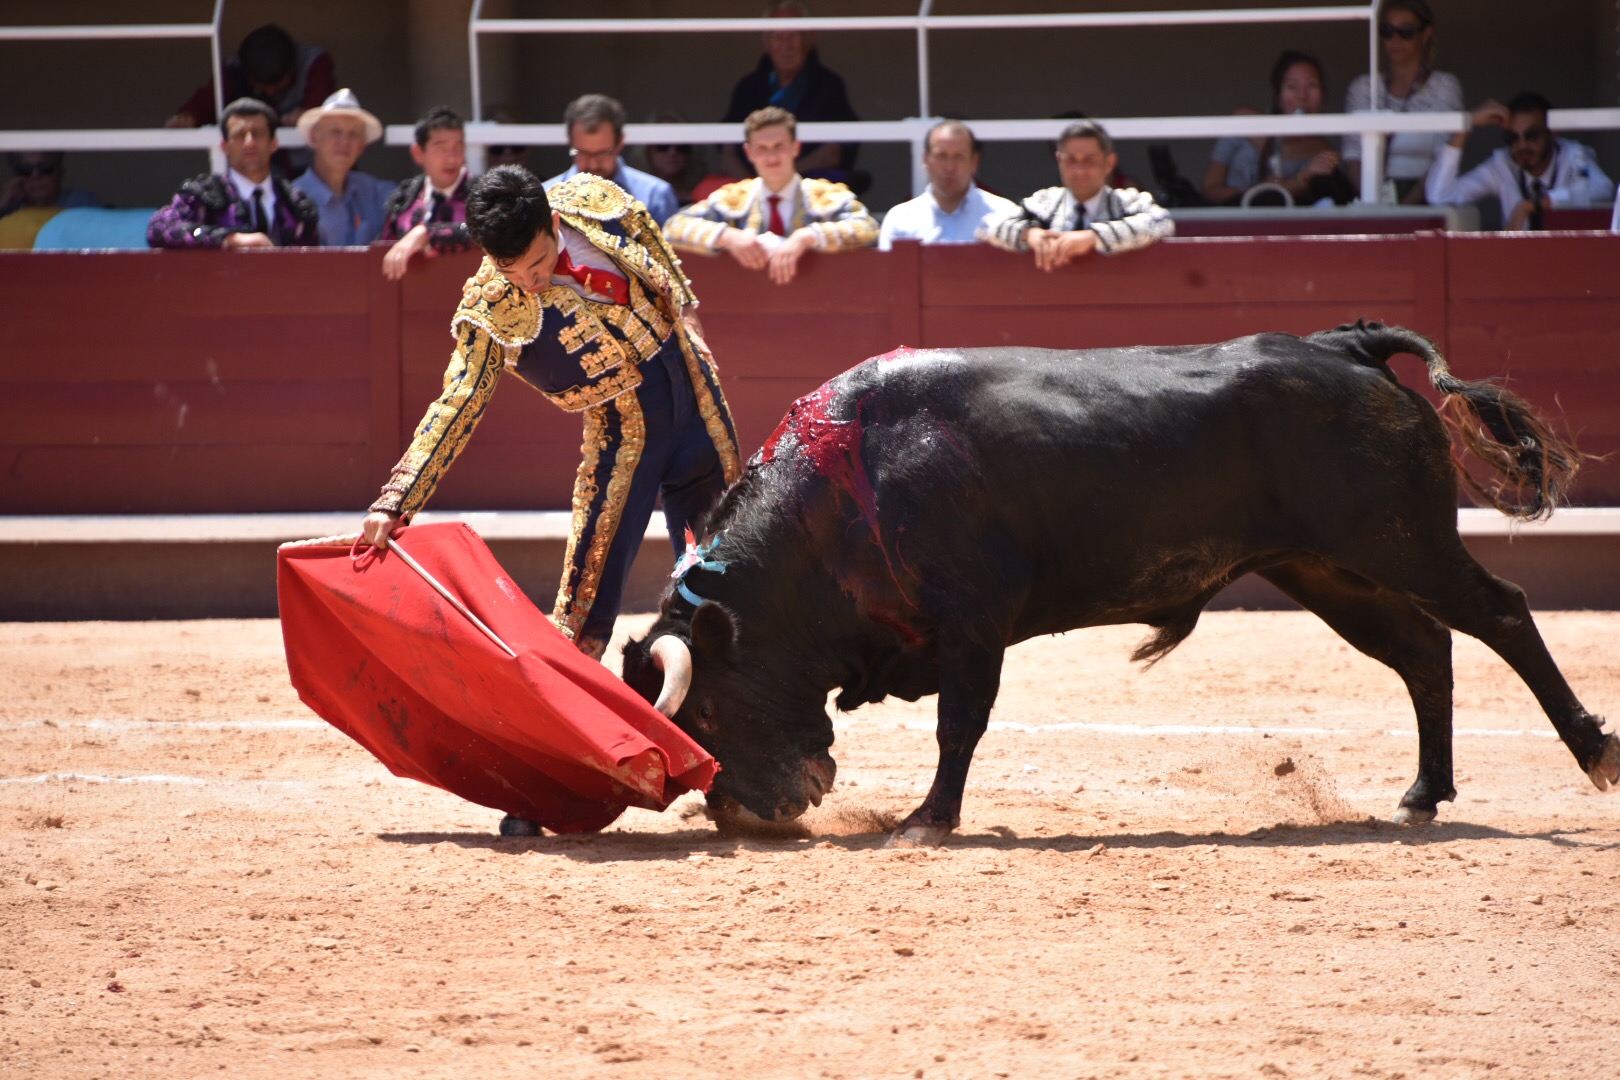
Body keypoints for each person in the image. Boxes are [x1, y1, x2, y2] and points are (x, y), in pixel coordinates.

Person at [359, 165, 742, 708]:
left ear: (554, 221)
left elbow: (652, 242)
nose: (531, 282)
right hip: (624, 436)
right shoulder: (491, 308)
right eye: (513, 272)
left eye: (539, 263)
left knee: (727, 567)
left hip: (697, 401)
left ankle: (737, 719)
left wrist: (690, 318)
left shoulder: (594, 199)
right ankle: (567, 724)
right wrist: (398, 498)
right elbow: (457, 402)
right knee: (584, 609)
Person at [664, 107, 877, 285]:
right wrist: (728, 236)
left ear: (796, 147)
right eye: (763, 148)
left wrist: (807, 237)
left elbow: (868, 227)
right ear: (749, 153)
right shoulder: (735, 198)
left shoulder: (825, 196)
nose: (772, 156)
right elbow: (674, 226)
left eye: (779, 146)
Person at [978, 120, 1173, 270]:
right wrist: (1030, 234)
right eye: (1071, 160)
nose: (1079, 170)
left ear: (1109, 163)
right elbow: (986, 225)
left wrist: (1093, 237)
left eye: (1089, 160)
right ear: (1059, 161)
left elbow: (1162, 222)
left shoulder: (1126, 202)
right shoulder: (1045, 203)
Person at [1426, 92, 1615, 231]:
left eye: (1531, 135)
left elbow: (1602, 189)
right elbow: (1439, 196)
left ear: (1553, 133)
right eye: (1512, 138)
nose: (1522, 145)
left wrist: (1536, 205)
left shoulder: (1572, 155)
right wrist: (1466, 125)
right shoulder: (1502, 164)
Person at [147, 98, 318, 249]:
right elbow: (160, 228)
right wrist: (229, 239)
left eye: (257, 134)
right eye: (240, 135)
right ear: (225, 147)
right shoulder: (203, 194)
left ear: (273, 144)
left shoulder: (295, 202)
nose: (249, 142)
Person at [717, 1, 859, 181]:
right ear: (766, 41)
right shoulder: (747, 87)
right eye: (778, 37)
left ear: (810, 38)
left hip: (808, 186)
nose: (786, 46)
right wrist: (756, 189)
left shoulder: (829, 85)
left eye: (793, 36)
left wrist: (784, 180)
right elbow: (727, 153)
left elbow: (833, 152)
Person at [1342, 0, 1462, 204]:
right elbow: (1353, 155)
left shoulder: (1444, 86)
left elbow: (1443, 160)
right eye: (1387, 30)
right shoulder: (1362, 87)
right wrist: (1374, 205)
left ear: (1426, 34)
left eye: (1405, 31)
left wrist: (1404, 210)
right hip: (1369, 200)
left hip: (1424, 200)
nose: (1395, 39)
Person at [1203, 52, 1353, 207]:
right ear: (1278, 98)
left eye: (1312, 85)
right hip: (1232, 221)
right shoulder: (1245, 123)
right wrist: (1260, 191)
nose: (1302, 96)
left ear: (1323, 96)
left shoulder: (1322, 154)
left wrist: (1297, 183)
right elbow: (1210, 190)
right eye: (1291, 87)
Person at [166, 24, 335, 132]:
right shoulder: (233, 70)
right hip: (259, 169)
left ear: (292, 67)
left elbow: (323, 111)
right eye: (261, 85)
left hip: (312, 167)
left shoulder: (313, 62)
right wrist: (189, 116)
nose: (270, 91)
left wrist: (310, 115)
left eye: (277, 82)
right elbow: (206, 103)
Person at [543, 95, 679, 226]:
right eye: (582, 153)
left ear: (620, 143)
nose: (593, 165)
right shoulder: (545, 196)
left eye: (602, 154)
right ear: (570, 142)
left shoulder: (655, 195)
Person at [878, 120, 1016, 250]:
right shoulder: (899, 219)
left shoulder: (1004, 214)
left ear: (974, 161)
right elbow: (887, 273)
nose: (949, 167)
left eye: (958, 157)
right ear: (926, 160)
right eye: (941, 156)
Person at [290, 89, 393, 247]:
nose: (344, 142)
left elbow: (418, 210)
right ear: (314, 138)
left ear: (363, 145)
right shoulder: (292, 199)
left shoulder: (376, 193)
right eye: (335, 132)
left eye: (353, 134)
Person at [381, 107, 472, 280]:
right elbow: (385, 251)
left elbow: (488, 234)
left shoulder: (481, 193)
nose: (452, 158)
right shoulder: (404, 199)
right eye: (441, 148)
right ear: (418, 153)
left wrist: (426, 233)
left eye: (458, 147)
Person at [630, 112, 709, 207]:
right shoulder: (634, 197)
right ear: (647, 150)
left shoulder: (701, 198)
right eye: (663, 146)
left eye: (681, 146)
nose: (672, 152)